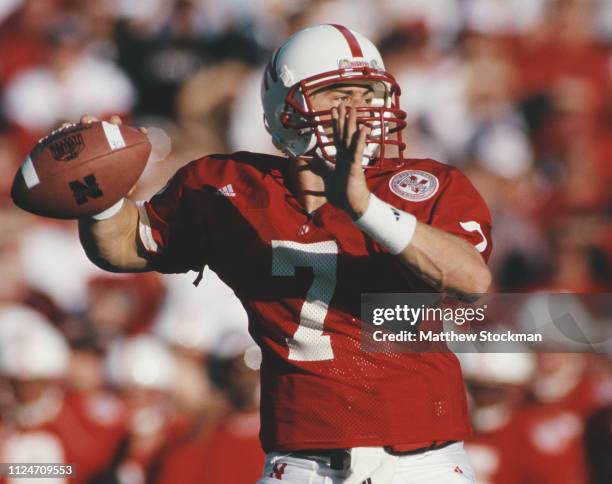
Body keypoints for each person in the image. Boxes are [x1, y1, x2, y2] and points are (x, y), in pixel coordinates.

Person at [72, 24, 492, 483]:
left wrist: (366, 209)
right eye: (338, 95)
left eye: (369, 94)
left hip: (420, 464)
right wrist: (101, 198)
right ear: (286, 110)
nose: (361, 110)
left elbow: (470, 279)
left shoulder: (424, 186)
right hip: (299, 465)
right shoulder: (227, 188)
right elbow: (125, 248)